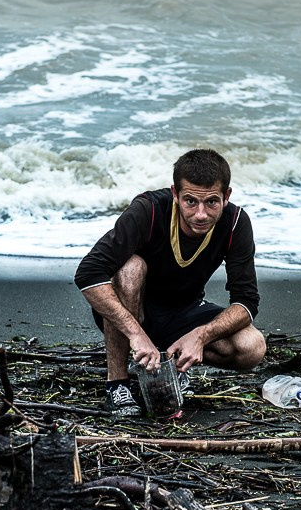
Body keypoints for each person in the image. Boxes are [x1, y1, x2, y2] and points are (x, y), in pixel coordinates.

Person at [74, 148, 266, 417]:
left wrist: (200, 335)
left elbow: (246, 302)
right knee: (131, 267)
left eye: (212, 202)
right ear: (175, 194)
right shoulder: (148, 210)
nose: (201, 214)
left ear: (226, 196)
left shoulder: (235, 223)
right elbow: (88, 273)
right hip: (132, 310)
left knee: (252, 347)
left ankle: (171, 365)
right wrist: (136, 334)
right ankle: (117, 384)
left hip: (184, 312)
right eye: (190, 201)